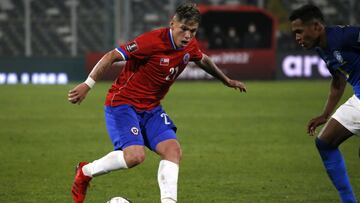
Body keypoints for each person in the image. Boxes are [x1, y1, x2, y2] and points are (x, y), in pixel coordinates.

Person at [68, 2, 247, 203]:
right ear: (172, 24)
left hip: (151, 109)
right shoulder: (151, 41)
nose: (188, 36)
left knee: (173, 150)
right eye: (184, 29)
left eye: (193, 31)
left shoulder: (189, 45)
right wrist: (87, 84)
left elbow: (202, 59)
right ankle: (85, 172)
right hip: (123, 104)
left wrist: (226, 80)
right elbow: (111, 56)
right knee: (135, 156)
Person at [289, 4, 358, 203]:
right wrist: (324, 115)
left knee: (326, 142)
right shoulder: (322, 48)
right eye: (295, 33)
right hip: (359, 97)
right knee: (325, 142)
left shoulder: (345, 36)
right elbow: (338, 81)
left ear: (317, 27)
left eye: (299, 31)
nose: (297, 37)